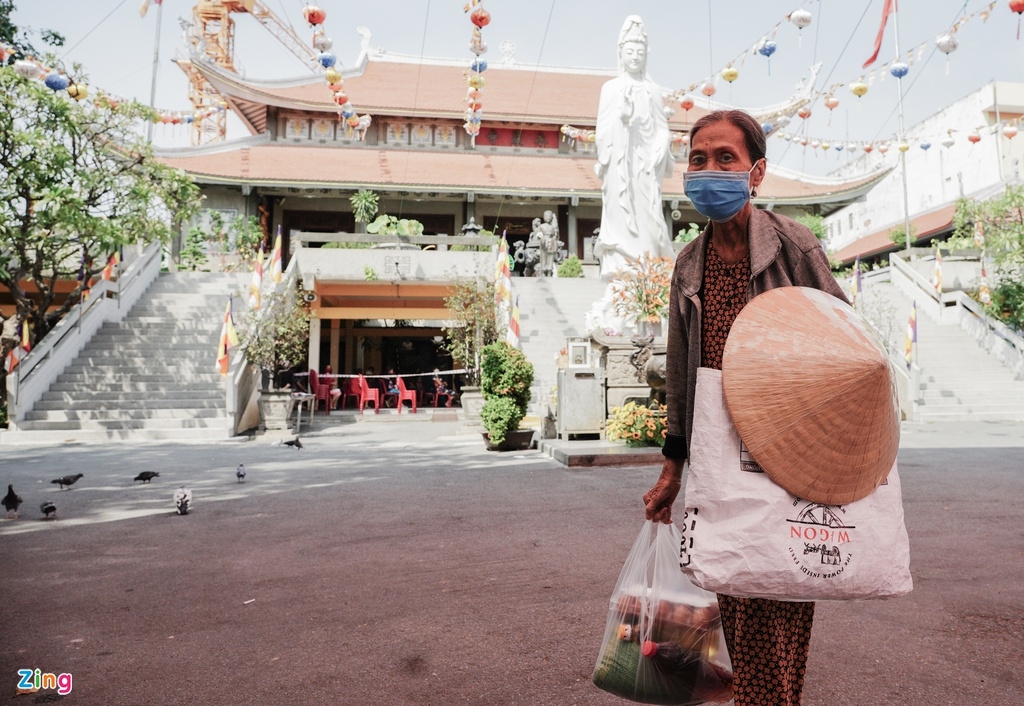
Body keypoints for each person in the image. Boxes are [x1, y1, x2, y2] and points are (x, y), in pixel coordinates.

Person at [642, 109, 848, 706]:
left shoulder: (793, 245)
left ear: (756, 172)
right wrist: (672, 468)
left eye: (724, 159)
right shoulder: (689, 263)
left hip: (785, 456)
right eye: (698, 159)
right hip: (715, 460)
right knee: (733, 600)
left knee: (779, 604)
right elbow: (680, 375)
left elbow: (846, 339)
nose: (709, 171)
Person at [592, 15, 674, 280]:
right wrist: (622, 120)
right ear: (621, 53)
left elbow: (662, 127)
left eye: (640, 51)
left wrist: (662, 144)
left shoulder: (653, 90)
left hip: (646, 167)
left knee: (650, 218)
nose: (635, 56)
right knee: (620, 212)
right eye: (630, 51)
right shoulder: (611, 89)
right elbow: (601, 130)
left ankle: (649, 265)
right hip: (619, 167)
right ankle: (621, 263)